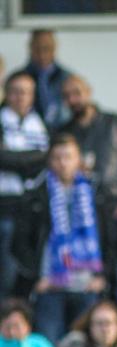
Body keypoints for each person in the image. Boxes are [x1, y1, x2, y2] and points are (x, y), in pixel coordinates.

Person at [12, 134, 114, 343]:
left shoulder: (96, 194)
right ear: (50, 161)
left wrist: (103, 277)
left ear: (79, 160)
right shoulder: (35, 195)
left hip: (87, 286)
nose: (63, 163)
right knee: (49, 345)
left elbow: (111, 239)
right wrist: (36, 278)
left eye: (68, 157)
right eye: (57, 157)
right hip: (50, 287)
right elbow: (20, 243)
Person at [60, 74, 117, 264]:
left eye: (77, 93)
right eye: (67, 96)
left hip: (114, 205)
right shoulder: (64, 131)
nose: (72, 100)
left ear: (89, 92)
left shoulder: (116, 123)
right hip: (78, 210)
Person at [0, 71, 49, 296]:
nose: (20, 97)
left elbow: (50, 158)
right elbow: (5, 159)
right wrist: (37, 157)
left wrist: (17, 159)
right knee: (5, 271)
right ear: (7, 94)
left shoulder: (41, 124)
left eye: (26, 92)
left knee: (27, 270)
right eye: (15, 92)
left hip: (33, 207)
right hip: (5, 206)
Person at [22, 29, 72, 131]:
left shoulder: (67, 78)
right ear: (30, 48)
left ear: (54, 48)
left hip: (62, 132)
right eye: (37, 49)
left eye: (46, 48)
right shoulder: (20, 78)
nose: (42, 54)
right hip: (29, 134)